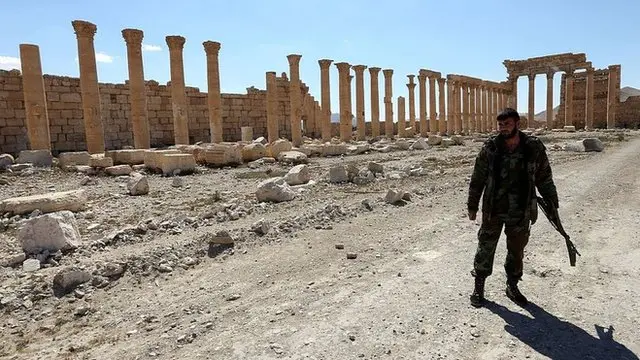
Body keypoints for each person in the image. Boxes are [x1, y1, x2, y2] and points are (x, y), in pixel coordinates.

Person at [466, 108, 559, 308]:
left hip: (521, 210)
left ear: (517, 123)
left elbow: (544, 177)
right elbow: (478, 178)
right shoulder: (490, 147)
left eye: (507, 124)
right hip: (493, 209)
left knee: (516, 251)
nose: (503, 128)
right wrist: (472, 205)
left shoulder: (533, 147)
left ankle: (513, 285)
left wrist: (552, 201)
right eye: (500, 124)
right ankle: (479, 286)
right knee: (485, 247)